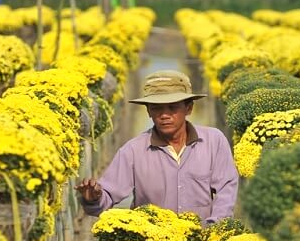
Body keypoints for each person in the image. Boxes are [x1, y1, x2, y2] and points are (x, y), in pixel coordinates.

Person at [76, 70, 239, 225]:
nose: (164, 115)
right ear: (148, 111)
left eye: (173, 107)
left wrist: (214, 229)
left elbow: (226, 190)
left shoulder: (213, 141)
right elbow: (107, 197)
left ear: (188, 108)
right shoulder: (133, 150)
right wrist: (94, 198)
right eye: (156, 108)